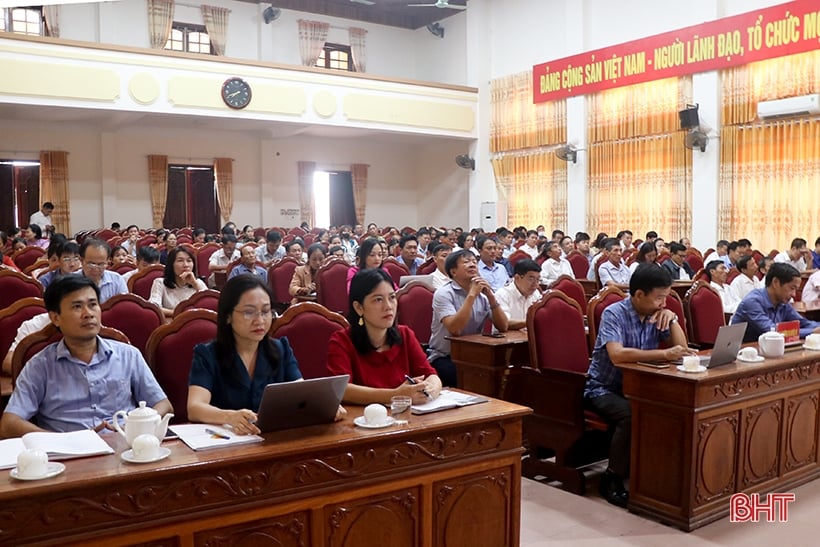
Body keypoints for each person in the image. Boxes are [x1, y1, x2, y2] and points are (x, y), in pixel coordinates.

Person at [0, 276, 172, 436]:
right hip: (69, 456)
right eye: (77, 306)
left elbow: (163, 405)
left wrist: (136, 426)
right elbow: (9, 423)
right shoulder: (40, 365)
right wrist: (63, 441)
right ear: (55, 318)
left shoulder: (128, 355)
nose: (88, 313)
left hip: (126, 445)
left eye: (93, 304)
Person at [585, 264, 692, 508]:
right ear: (639, 294)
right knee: (632, 414)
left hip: (643, 388)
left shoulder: (659, 314)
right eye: (659, 298)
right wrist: (662, 355)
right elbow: (617, 355)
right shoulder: (614, 313)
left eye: (666, 297)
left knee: (674, 407)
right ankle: (611, 478)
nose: (663, 303)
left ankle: (655, 474)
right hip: (604, 388)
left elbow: (682, 351)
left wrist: (673, 319)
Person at [188, 276, 333, 435]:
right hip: (228, 444)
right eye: (249, 312)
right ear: (228, 316)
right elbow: (195, 407)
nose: (260, 321)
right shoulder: (208, 355)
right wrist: (230, 416)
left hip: (274, 440)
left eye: (265, 311)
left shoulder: (281, 349)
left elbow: (301, 394)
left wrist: (324, 406)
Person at [327, 268, 442, 405]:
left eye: (392, 297)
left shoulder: (405, 334)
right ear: (359, 307)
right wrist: (395, 395)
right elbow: (343, 389)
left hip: (405, 418)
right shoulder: (341, 341)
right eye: (378, 300)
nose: (388, 306)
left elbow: (431, 375)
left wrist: (429, 389)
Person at [428, 250, 509, 386]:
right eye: (466, 262)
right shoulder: (443, 294)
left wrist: (490, 296)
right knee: (471, 379)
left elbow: (503, 326)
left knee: (503, 374)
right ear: (453, 272)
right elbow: (455, 329)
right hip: (445, 357)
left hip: (474, 355)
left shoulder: (482, 296)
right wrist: (471, 295)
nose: (472, 265)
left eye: (474, 262)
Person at [731, 263, 820, 343]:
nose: (794, 294)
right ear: (776, 282)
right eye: (792, 288)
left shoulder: (783, 302)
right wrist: (812, 332)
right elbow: (773, 332)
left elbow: (803, 323)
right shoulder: (752, 302)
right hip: (744, 354)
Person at [150, 247, 208, 318]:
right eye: (180, 261)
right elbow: (154, 307)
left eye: (189, 261)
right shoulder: (160, 283)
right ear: (171, 264)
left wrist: (195, 284)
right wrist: (180, 313)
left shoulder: (198, 283)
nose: (186, 265)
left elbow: (208, 306)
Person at [495, 259, 542, 330]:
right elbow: (504, 323)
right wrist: (530, 321)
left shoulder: (536, 293)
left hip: (529, 338)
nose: (535, 284)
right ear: (517, 278)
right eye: (531, 279)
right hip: (508, 339)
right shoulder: (502, 295)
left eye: (538, 280)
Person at [80, 238, 128, 303]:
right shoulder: (69, 282)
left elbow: (123, 307)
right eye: (91, 264)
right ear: (82, 261)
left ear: (108, 262)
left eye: (101, 264)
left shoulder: (117, 280)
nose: (96, 269)